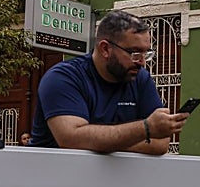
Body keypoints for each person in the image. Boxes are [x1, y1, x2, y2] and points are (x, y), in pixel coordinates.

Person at [30, 10, 189, 153]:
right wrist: (145, 129)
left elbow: (160, 144)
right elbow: (71, 138)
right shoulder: (63, 77)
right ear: (105, 49)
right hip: (51, 178)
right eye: (134, 53)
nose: (142, 62)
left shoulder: (140, 78)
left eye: (146, 53)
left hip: (111, 182)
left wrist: (100, 141)